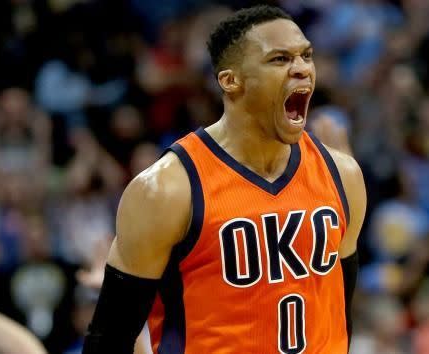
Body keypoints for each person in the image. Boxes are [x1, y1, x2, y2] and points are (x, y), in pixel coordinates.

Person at [83, 5, 366, 354]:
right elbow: (109, 341)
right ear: (230, 81)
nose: (302, 69)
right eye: (279, 59)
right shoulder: (167, 189)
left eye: (306, 55)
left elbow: (339, 319)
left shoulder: (343, 175)